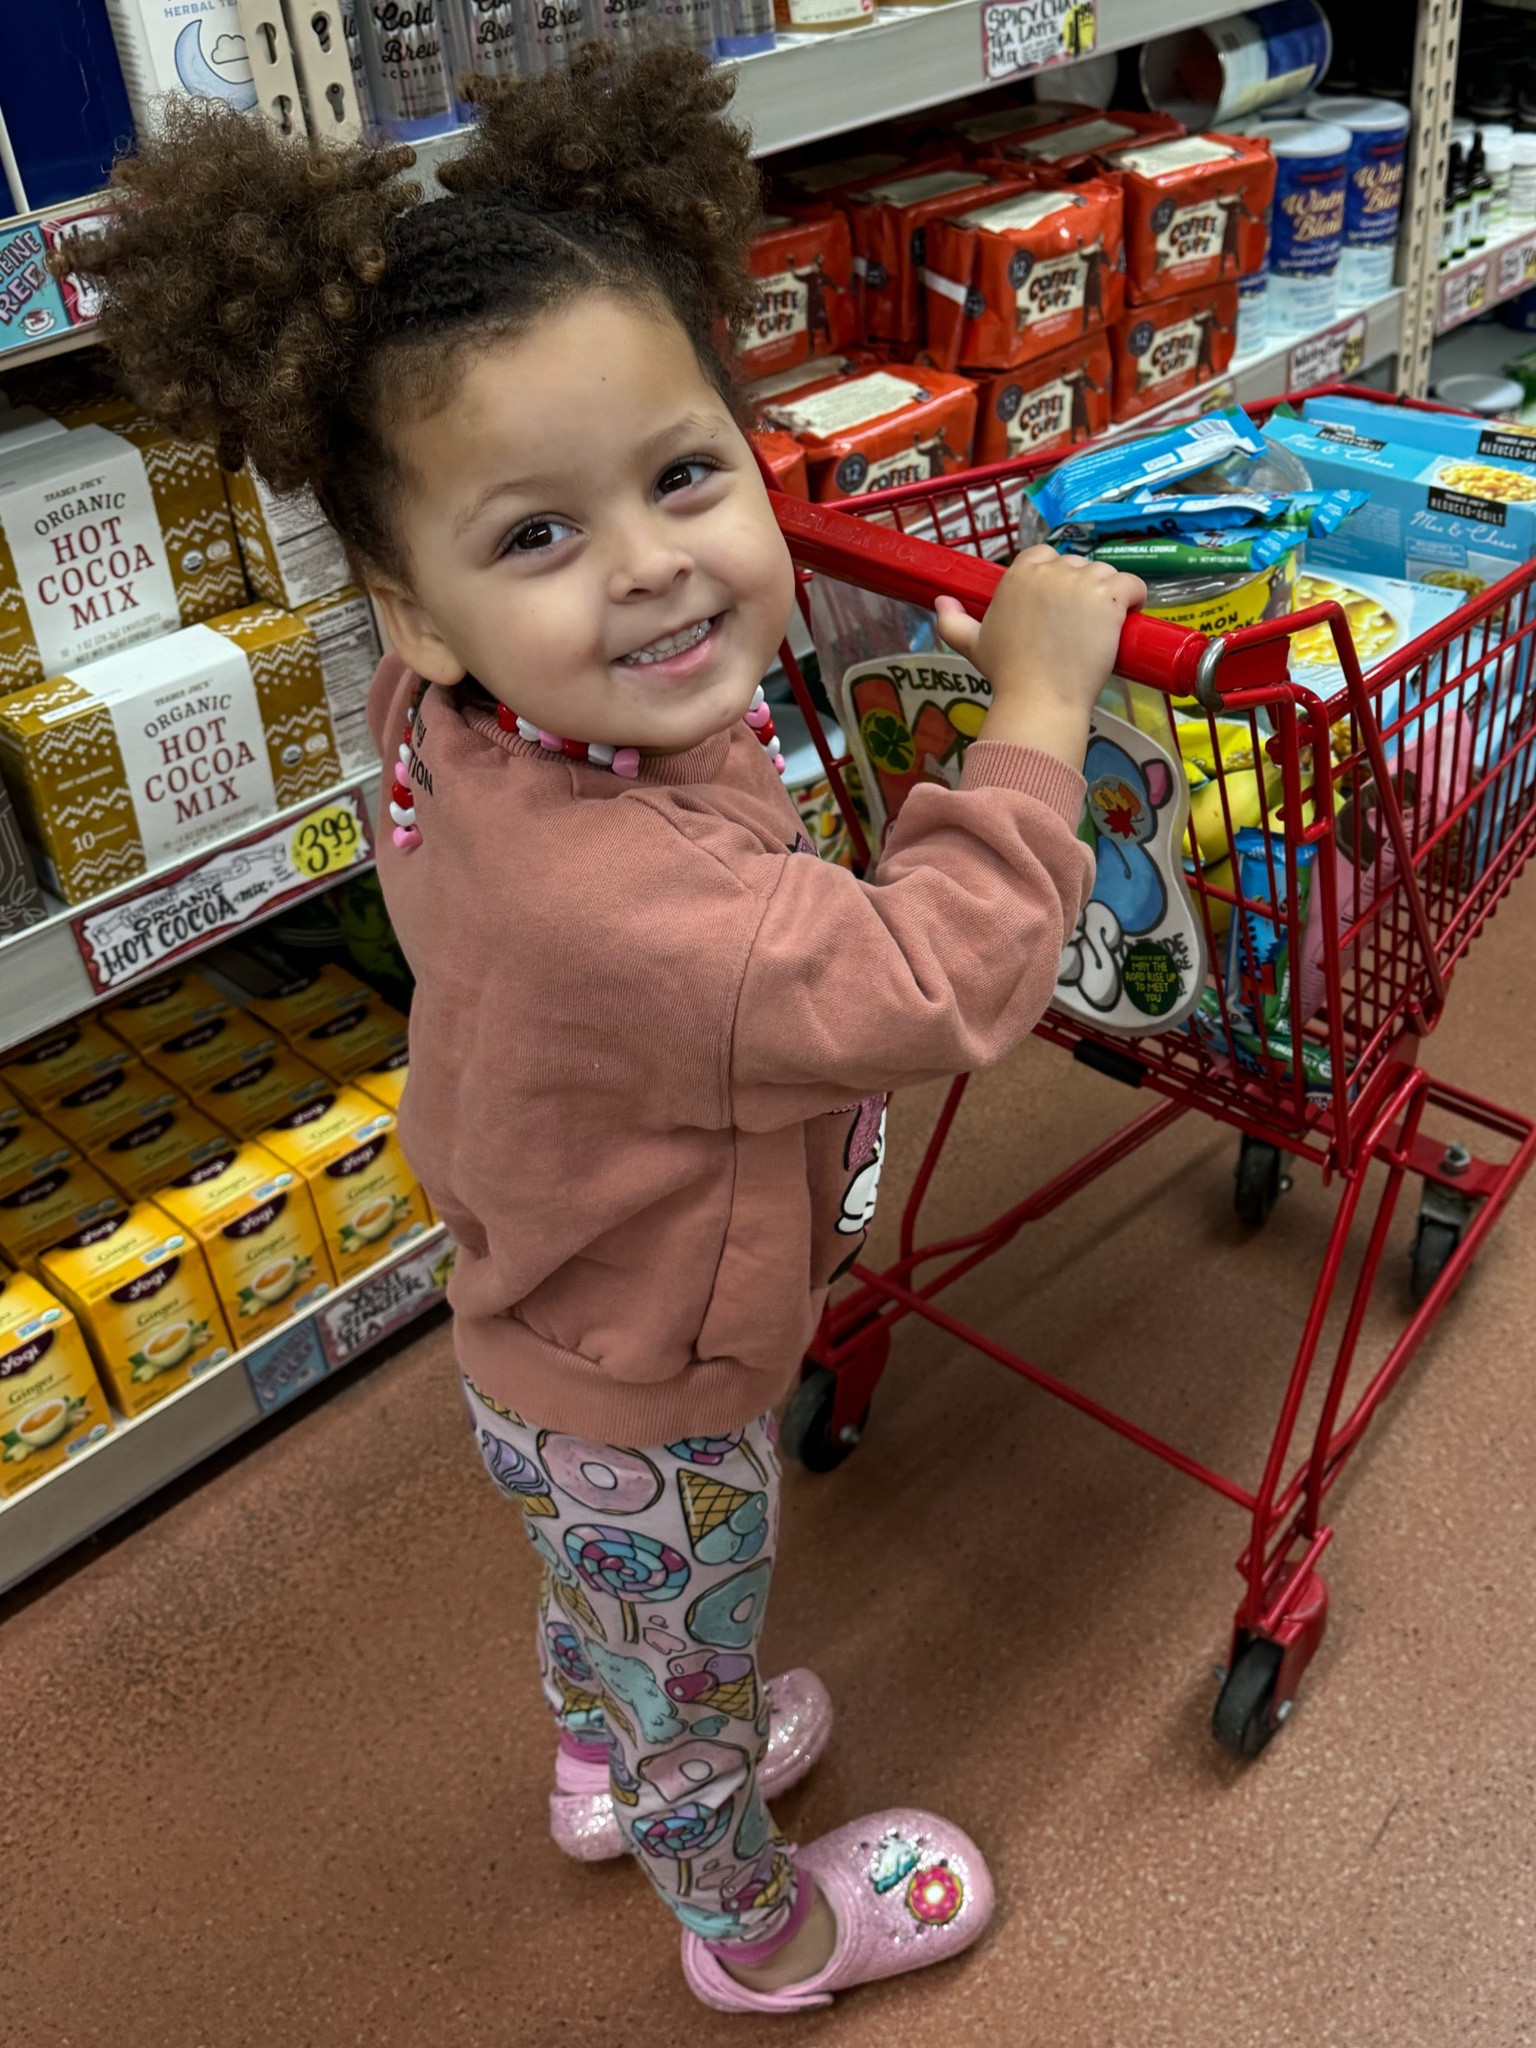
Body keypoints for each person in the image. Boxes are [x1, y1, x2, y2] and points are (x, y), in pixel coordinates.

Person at [63, 49, 1144, 2016]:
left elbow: (664, 699)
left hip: (543, 1312)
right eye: (537, 535)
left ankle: (597, 1740)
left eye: (680, 474)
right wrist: (1039, 716)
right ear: (417, 611)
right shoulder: (641, 908)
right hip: (655, 1368)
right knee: (695, 1676)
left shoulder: (460, 729)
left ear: (750, 445)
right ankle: (754, 1921)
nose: (648, 563)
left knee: (610, 1594)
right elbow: (941, 983)